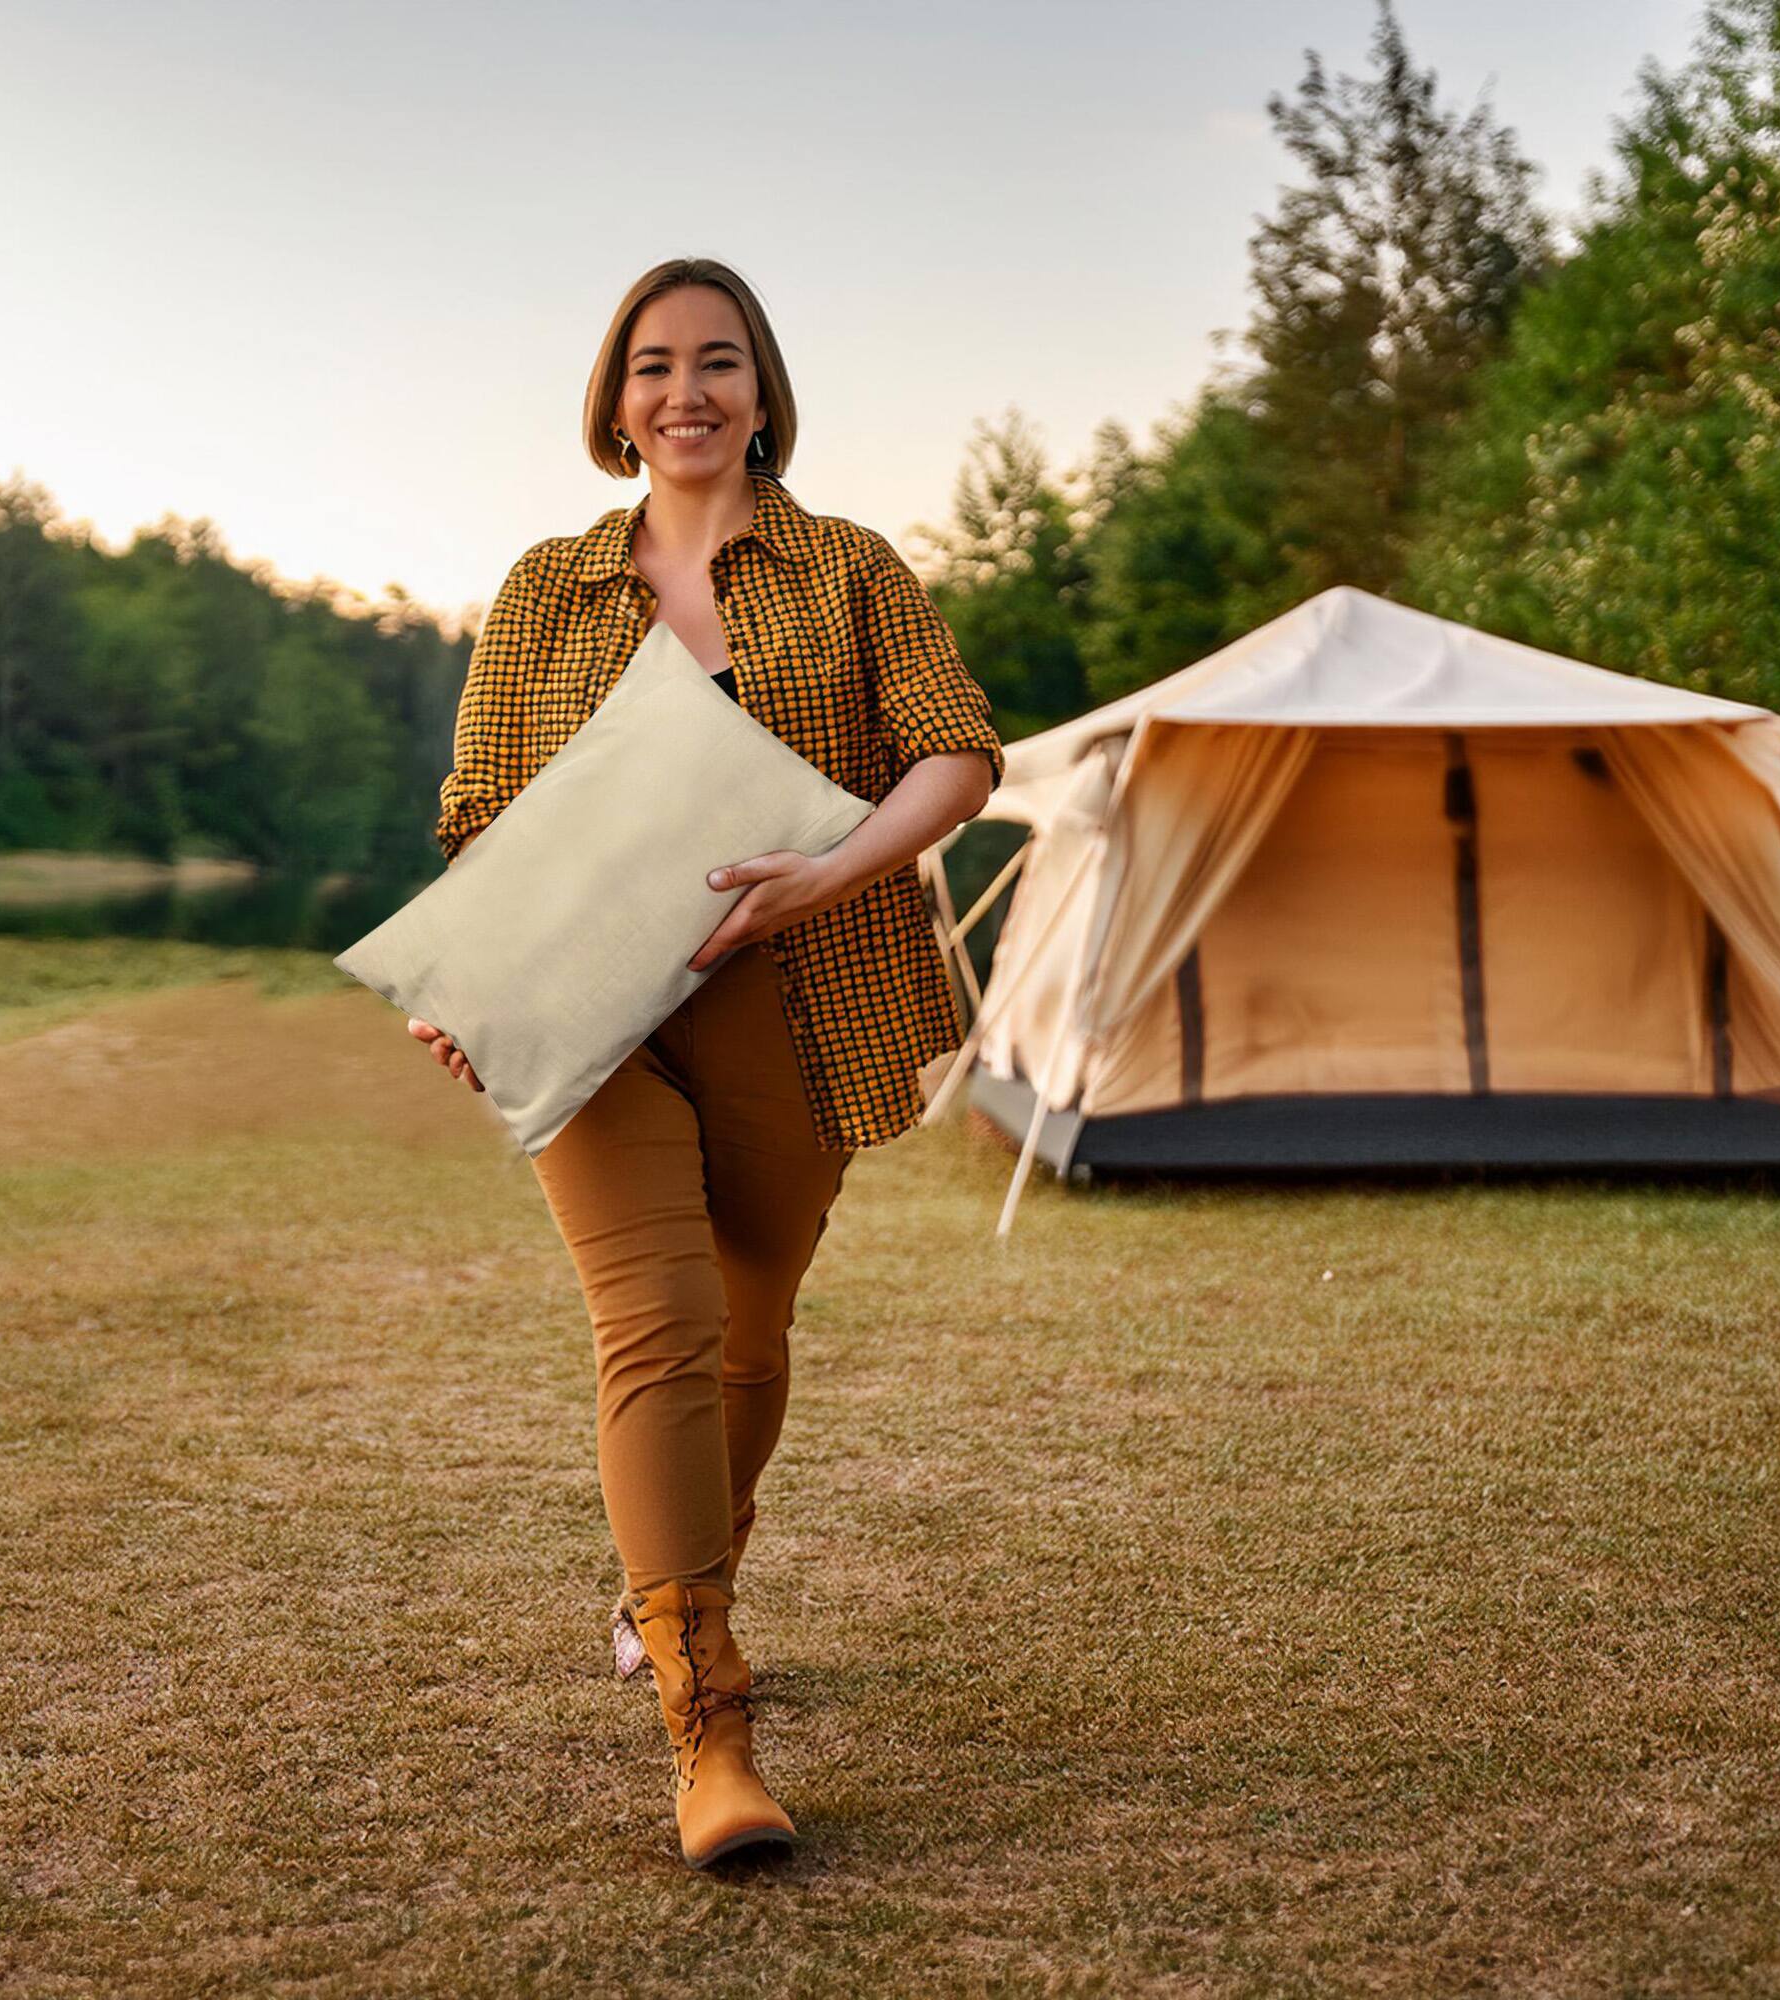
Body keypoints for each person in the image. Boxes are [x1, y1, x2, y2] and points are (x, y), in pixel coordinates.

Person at [408, 256, 1006, 1871]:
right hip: (587, 1016)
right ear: (615, 402)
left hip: (796, 1004)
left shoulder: (850, 569)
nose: (688, 391)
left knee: (748, 1337)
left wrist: (830, 872)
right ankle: (708, 1727)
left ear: (763, 390)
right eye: (655, 365)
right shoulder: (546, 586)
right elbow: (480, 814)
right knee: (657, 1328)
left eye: (720, 361)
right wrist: (468, 977)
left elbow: (957, 745)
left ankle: (669, 1585)